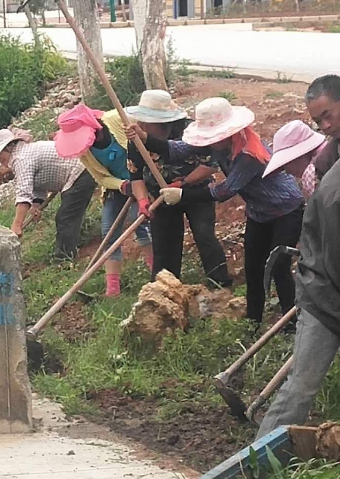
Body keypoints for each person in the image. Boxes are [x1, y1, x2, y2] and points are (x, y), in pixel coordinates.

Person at [159, 97, 304, 325]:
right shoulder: (219, 144)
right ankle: (253, 320)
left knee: (279, 266)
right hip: (258, 212)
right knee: (253, 266)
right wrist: (143, 138)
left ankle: (293, 323)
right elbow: (179, 150)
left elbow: (225, 190)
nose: (209, 140)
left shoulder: (249, 155)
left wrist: (183, 195)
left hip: (286, 211)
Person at [256, 74, 340, 439]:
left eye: (328, 116)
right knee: (300, 386)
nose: (325, 125)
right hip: (324, 290)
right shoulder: (327, 169)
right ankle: (256, 463)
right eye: (319, 120)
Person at [124, 90, 232, 287]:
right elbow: (135, 175)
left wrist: (183, 184)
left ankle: (219, 283)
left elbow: (210, 164)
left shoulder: (191, 130)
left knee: (204, 234)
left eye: (148, 122)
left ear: (163, 123)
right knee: (164, 243)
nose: (142, 126)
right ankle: (164, 287)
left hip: (195, 190)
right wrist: (142, 201)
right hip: (160, 195)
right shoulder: (135, 138)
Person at [55, 103, 152, 297]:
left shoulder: (117, 120)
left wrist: (140, 182)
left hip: (145, 179)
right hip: (117, 187)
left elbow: (146, 138)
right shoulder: (84, 149)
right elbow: (100, 177)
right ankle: (112, 291)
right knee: (108, 231)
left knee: (138, 222)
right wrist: (122, 185)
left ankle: (158, 274)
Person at [0, 127, 90, 249]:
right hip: (77, 174)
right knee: (66, 217)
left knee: (65, 218)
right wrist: (36, 205)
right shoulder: (23, 154)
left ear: (9, 147)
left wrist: (17, 225)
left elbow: (23, 193)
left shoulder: (21, 158)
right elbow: (38, 184)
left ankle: (64, 259)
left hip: (80, 171)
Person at [262, 119, 329, 199]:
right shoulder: (332, 149)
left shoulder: (311, 175)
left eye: (285, 165)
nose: (287, 172)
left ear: (298, 157)